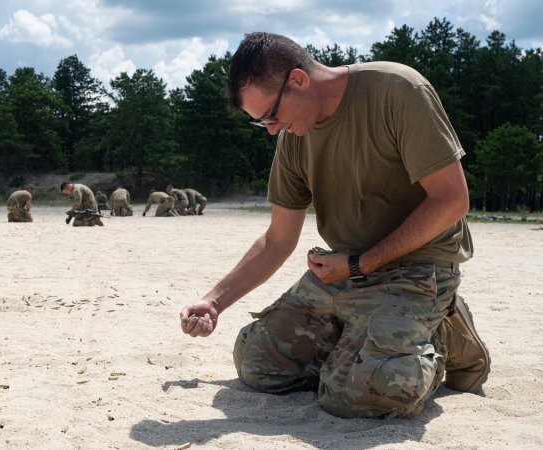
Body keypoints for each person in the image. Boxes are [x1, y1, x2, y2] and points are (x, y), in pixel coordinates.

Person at [179, 32, 490, 419]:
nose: (272, 129)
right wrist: (214, 302)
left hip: (417, 268)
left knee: (362, 395)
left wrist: (363, 263)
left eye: (271, 116)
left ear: (298, 80)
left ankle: (442, 333)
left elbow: (452, 200)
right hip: (345, 272)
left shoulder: (397, 91)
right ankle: (367, 339)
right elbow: (277, 240)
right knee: (258, 365)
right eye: (263, 124)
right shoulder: (295, 135)